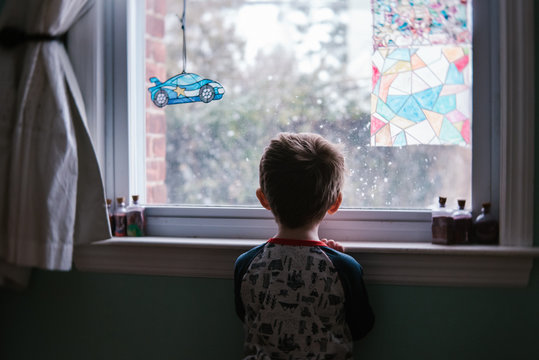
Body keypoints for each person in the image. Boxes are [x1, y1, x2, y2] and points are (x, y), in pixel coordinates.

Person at [234, 132, 374, 360]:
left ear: (263, 199)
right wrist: (336, 262)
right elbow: (361, 327)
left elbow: (247, 316)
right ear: (335, 203)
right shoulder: (344, 268)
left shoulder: (246, 264)